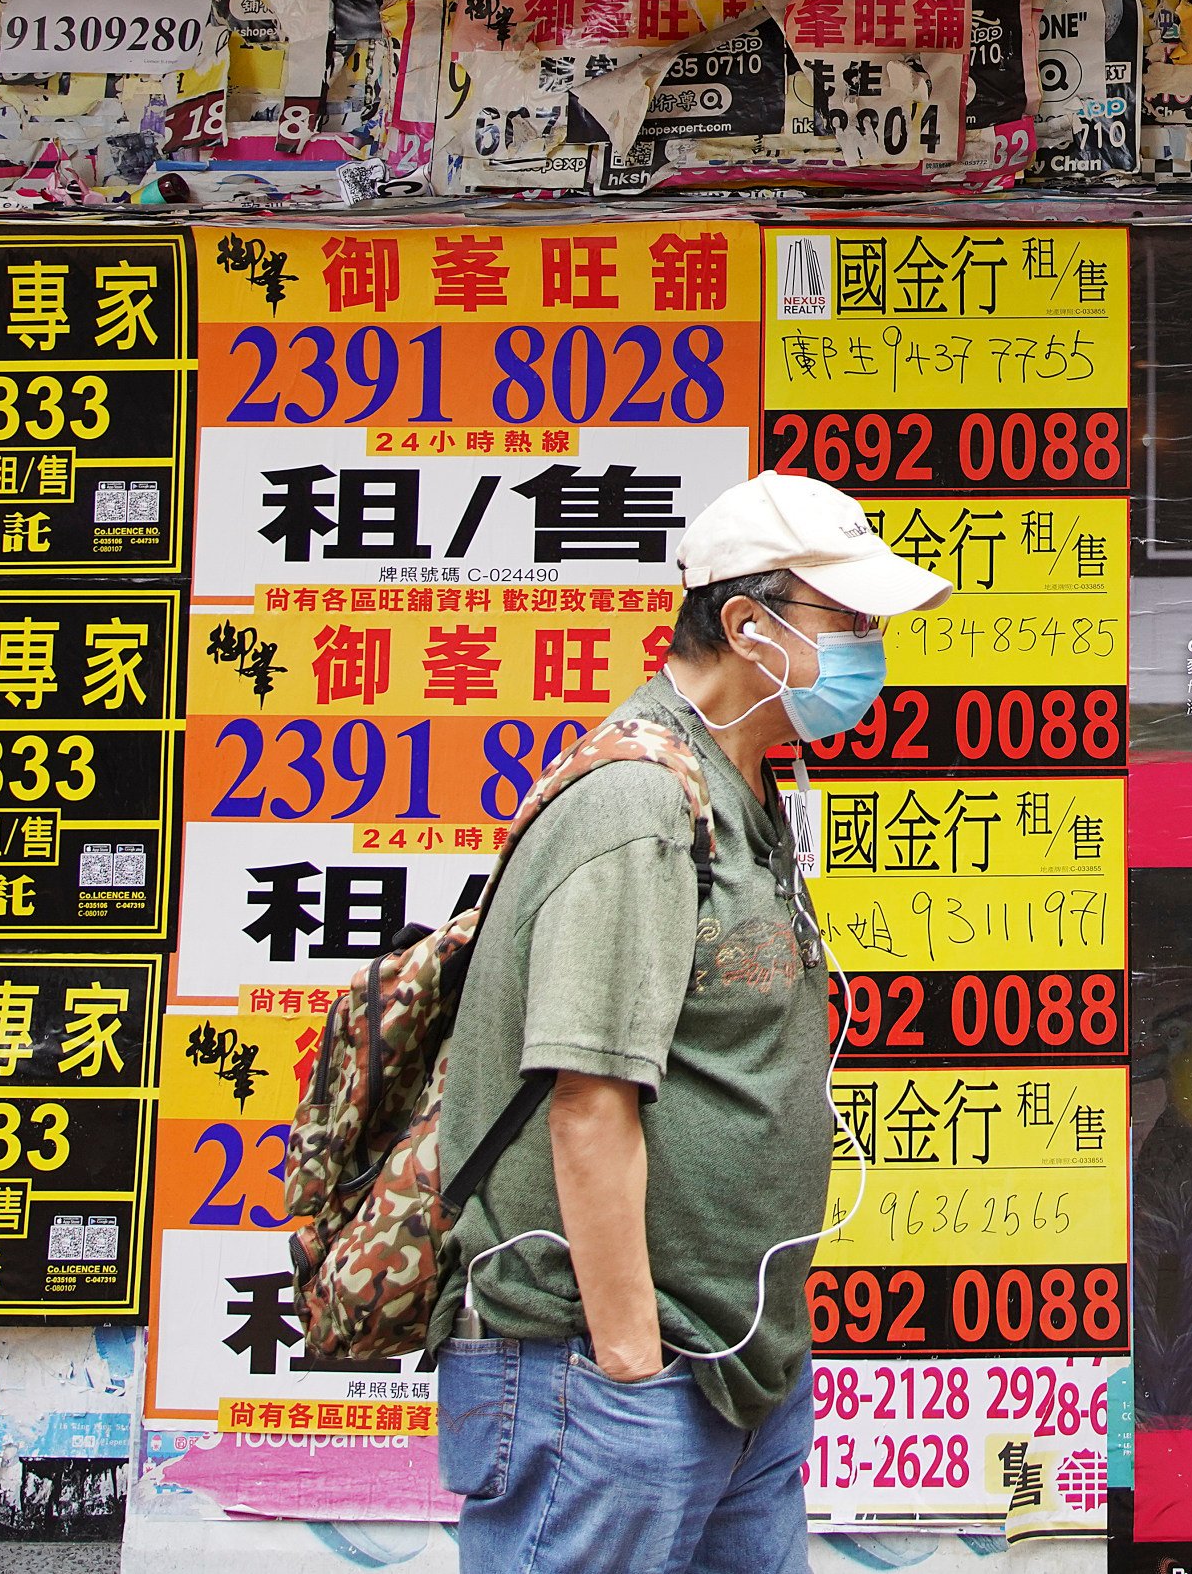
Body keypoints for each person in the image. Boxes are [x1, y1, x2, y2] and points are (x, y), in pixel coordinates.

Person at [435, 473, 949, 1574]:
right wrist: (629, 1360)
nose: (869, 650)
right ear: (748, 627)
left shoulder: (742, 793)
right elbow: (588, 1100)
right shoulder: (639, 805)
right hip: (614, 1377)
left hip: (734, 1369)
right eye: (848, 620)